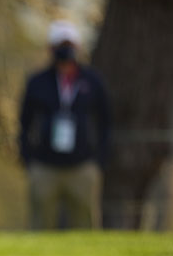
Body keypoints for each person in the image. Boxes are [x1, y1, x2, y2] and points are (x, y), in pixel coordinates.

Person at [18, 20, 111, 230]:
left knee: (85, 228)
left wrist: (98, 161)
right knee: (40, 227)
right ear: (51, 49)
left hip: (82, 165)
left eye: (68, 44)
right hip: (44, 166)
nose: (65, 50)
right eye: (60, 45)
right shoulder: (38, 82)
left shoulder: (92, 81)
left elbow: (105, 122)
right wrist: (28, 160)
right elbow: (24, 123)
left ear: (76, 47)